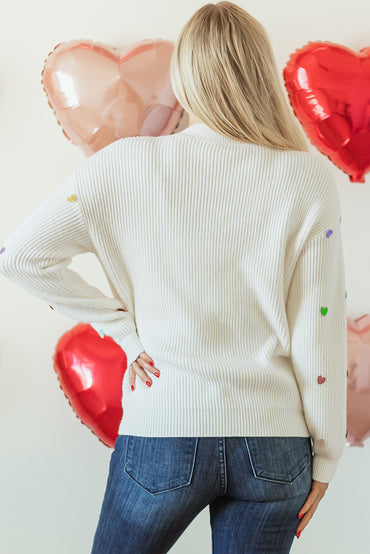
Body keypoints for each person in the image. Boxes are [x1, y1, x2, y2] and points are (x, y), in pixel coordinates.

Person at [0, 2, 347, 553]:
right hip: (275, 444)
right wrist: (327, 457)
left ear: (184, 76)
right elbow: (320, 327)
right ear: (259, 73)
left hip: (164, 430)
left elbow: (21, 255)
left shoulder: (121, 166)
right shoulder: (306, 177)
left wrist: (123, 329)